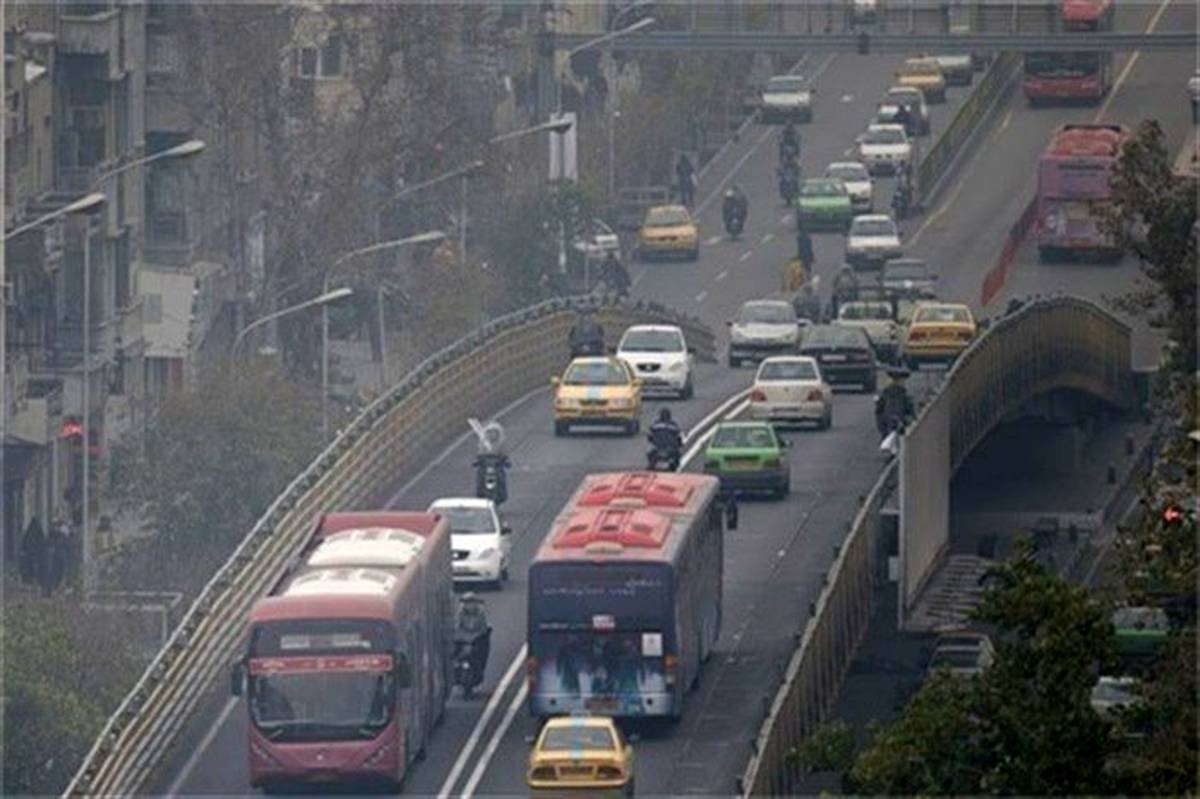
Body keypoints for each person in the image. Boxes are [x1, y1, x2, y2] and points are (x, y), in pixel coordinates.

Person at [454, 594, 491, 686]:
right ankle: (456, 672)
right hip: (463, 638)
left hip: (476, 638)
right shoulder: (460, 613)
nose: (469, 605)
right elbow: (457, 626)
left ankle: (479, 672)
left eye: (471, 602)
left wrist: (477, 636)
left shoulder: (481, 612)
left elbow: (483, 628)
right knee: (453, 652)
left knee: (483, 650)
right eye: (466, 602)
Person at [874, 368, 914, 439]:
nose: (902, 382)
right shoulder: (898, 394)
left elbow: (878, 412)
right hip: (893, 429)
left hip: (894, 429)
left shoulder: (887, 394)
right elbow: (879, 412)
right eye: (900, 380)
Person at [19, 517, 45, 586]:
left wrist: (23, 550)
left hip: (30, 553)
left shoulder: (29, 532)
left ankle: (30, 579)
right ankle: (33, 579)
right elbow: (42, 542)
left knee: (30, 566)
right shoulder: (39, 531)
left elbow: (24, 542)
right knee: (34, 566)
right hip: (35, 553)